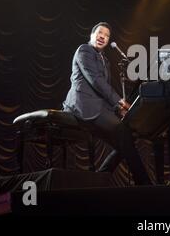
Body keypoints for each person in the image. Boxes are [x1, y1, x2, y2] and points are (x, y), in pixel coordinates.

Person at [62, 22, 151, 185]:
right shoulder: (84, 50)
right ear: (91, 35)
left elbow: (103, 92)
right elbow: (96, 81)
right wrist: (119, 102)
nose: (103, 36)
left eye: (107, 35)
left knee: (126, 140)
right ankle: (144, 183)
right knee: (123, 132)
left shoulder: (105, 60)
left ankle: (101, 177)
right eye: (100, 33)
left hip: (98, 107)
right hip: (83, 106)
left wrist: (119, 108)